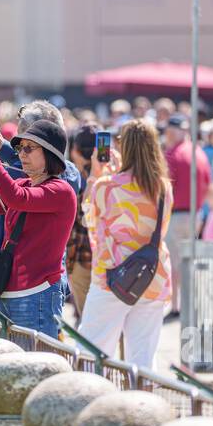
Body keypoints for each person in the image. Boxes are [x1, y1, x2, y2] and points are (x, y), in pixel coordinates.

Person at [0, 118, 76, 336]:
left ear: (50, 153)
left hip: (37, 297)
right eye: (19, 148)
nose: (21, 154)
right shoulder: (24, 184)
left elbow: (16, 198)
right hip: (4, 294)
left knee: (35, 368)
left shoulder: (61, 190)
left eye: (29, 148)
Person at [78, 119, 173, 365]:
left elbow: (89, 219)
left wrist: (97, 175)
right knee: (142, 357)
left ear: (124, 147)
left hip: (112, 274)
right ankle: (141, 401)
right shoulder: (163, 187)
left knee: (93, 350)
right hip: (153, 275)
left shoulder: (106, 186)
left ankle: (96, 400)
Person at [162, 114, 212, 319]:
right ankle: (189, 303)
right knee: (189, 261)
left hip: (177, 215)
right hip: (196, 214)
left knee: (175, 263)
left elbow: (164, 188)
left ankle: (177, 306)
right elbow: (208, 182)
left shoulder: (172, 155)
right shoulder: (198, 152)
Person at [65, 125, 99, 317]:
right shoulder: (111, 175)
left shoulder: (73, 179)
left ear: (75, 151)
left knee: (87, 321)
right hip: (110, 258)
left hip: (82, 259)